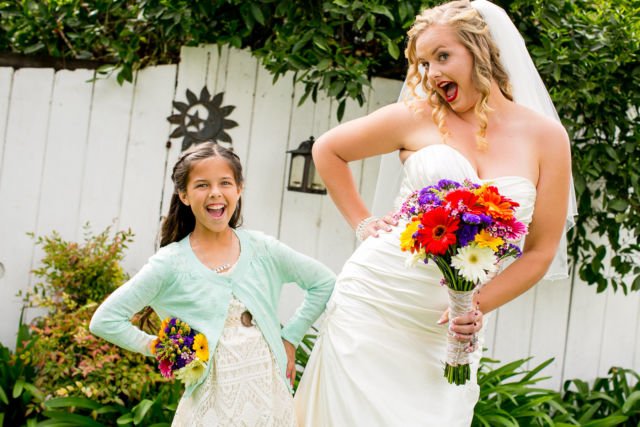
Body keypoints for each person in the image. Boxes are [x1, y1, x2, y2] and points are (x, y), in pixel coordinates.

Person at [294, 0, 575, 426]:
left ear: (481, 52)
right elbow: (328, 149)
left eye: (443, 56)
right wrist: (363, 223)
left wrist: (474, 305)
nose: (431, 74)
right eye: (423, 63)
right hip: (375, 300)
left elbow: (539, 252)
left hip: (445, 329)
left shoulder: (547, 139)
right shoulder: (418, 116)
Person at [90, 142, 335, 426]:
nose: (215, 192)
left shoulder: (263, 249)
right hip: (212, 405)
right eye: (202, 185)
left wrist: (291, 337)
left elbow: (324, 283)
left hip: (269, 398)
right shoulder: (170, 264)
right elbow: (105, 320)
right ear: (184, 195)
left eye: (225, 183)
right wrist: (166, 348)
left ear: (239, 189)